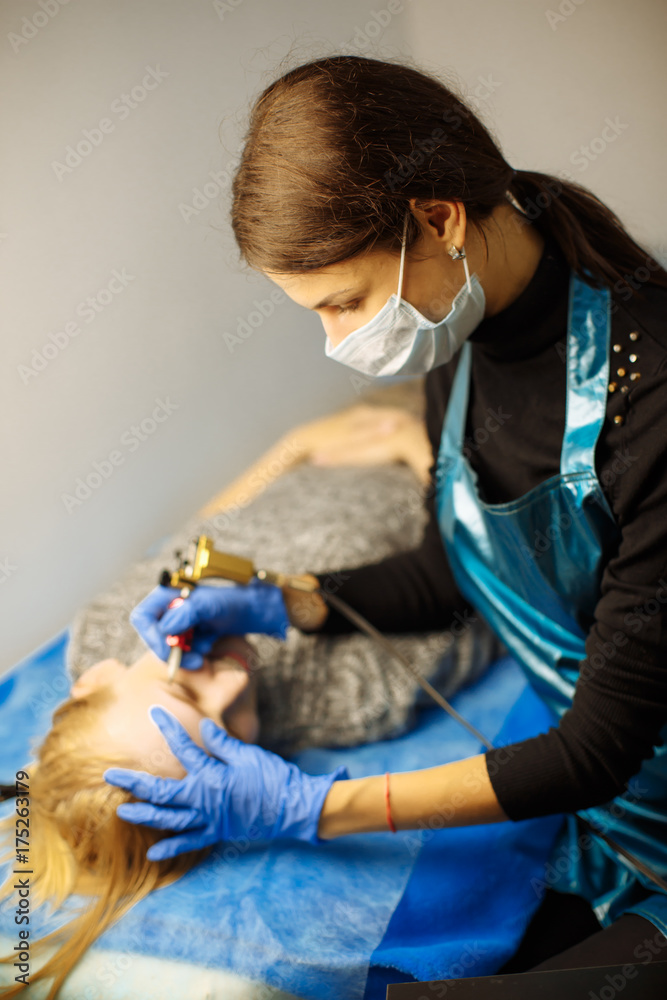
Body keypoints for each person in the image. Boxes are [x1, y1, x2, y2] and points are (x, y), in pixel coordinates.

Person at [119, 54, 667, 975]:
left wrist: (311, 806)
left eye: (346, 302)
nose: (340, 343)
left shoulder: (648, 398)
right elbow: (461, 566)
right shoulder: (462, 337)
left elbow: (596, 750)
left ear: (439, 219)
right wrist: (277, 601)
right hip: (605, 810)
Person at [0, 636, 261, 998]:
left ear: (98, 675)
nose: (237, 682)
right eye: (230, 732)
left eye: (183, 690)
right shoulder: (344, 700)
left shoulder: (105, 628)